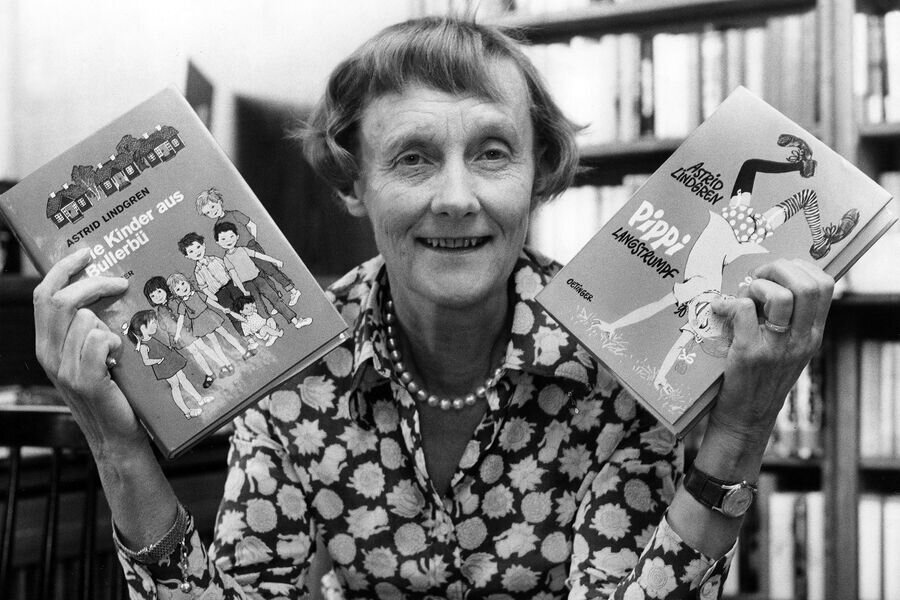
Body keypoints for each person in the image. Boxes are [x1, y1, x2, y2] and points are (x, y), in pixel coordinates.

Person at [32, 17, 834, 599]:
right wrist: (116, 445)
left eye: (492, 153)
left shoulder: (617, 353)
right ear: (355, 183)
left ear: (539, 174)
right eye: (413, 159)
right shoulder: (293, 359)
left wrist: (739, 430)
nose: (456, 198)